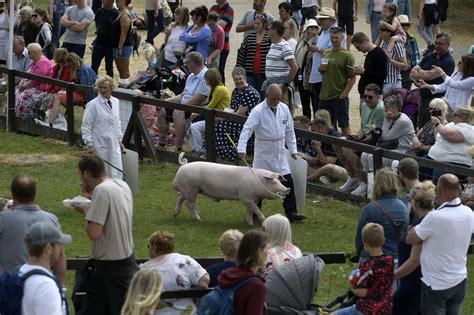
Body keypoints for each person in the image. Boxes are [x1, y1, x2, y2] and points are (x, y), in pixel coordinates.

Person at [73, 155, 139, 315]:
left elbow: (94, 233)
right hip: (128, 263)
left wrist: (85, 210)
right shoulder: (121, 185)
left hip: (109, 269)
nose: (82, 180)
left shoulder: (102, 191)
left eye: (81, 176)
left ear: (86, 173)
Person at [237, 84, 305, 223]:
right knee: (258, 185)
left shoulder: (284, 108)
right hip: (264, 153)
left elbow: (289, 131)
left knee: (288, 182)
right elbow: (247, 129)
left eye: (279, 99)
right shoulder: (258, 111)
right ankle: (255, 213)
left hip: (279, 152)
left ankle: (291, 212)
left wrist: (293, 150)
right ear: (267, 96)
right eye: (274, 99)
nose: (276, 102)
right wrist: (241, 148)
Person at [407, 174, 473, 315]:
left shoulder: (434, 217)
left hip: (436, 284)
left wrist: (413, 230)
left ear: (440, 190)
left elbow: (411, 239)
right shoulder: (468, 213)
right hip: (459, 279)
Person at [0, 175, 65, 281]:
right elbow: (60, 256)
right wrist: (60, 287)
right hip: (41, 285)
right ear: (34, 194)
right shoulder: (52, 219)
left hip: (10, 289)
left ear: (13, 194)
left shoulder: (3, 219)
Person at [357, 95, 415, 196]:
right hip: (390, 148)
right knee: (364, 154)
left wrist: (387, 120)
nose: (385, 110)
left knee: (372, 157)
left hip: (401, 151)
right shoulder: (391, 117)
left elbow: (386, 136)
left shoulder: (402, 121)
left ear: (395, 108)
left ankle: (374, 190)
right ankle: (367, 184)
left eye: (387, 108)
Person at [140, 230, 209, 313]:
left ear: (154, 247)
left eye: (149, 246)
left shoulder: (143, 270)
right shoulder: (184, 261)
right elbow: (203, 283)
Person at [393, 181, 435, 315]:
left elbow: (414, 261)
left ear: (415, 202)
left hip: (412, 283)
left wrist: (392, 276)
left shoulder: (421, 226)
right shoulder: (429, 221)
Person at [334, 223, 394, 315]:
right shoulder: (390, 261)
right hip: (385, 308)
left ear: (365, 243)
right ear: (383, 240)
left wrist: (352, 287)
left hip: (367, 309)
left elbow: (363, 292)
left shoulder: (367, 265)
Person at [156, 52, 209, 152]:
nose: (186, 66)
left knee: (178, 111)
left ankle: (178, 146)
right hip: (184, 104)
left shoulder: (204, 77)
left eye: (187, 63)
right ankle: (162, 144)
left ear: (193, 63)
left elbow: (198, 99)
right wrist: (165, 102)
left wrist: (180, 106)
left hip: (196, 107)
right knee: (161, 108)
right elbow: (183, 95)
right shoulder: (191, 76)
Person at [338, 84, 385, 193]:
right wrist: (358, 136)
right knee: (338, 143)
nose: (367, 99)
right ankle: (353, 176)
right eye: (365, 96)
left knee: (348, 149)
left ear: (378, 97)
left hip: (375, 140)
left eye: (370, 97)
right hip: (365, 136)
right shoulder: (364, 105)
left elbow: (375, 134)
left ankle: (364, 181)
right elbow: (364, 126)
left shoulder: (380, 109)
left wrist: (357, 143)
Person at [355, 168, 409, 261]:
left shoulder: (370, 209)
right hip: (397, 259)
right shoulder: (403, 207)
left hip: (373, 259)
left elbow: (359, 240)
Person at [20, 221, 71, 315]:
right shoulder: (45, 286)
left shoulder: (19, 273)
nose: (61, 249)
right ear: (48, 248)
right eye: (59, 244)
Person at [81, 76, 125, 179]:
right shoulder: (93, 105)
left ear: (111, 88)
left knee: (117, 172)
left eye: (105, 87)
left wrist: (119, 140)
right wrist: (90, 144)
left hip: (114, 145)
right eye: (100, 88)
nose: (102, 90)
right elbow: (86, 126)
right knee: (102, 173)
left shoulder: (116, 102)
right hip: (100, 145)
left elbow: (117, 122)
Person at [217, 230, 268, 315]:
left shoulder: (227, 275)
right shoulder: (256, 286)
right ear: (259, 252)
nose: (268, 252)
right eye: (266, 248)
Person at [214, 67, 260, 161]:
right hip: (234, 118)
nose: (238, 81)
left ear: (245, 78)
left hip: (244, 122)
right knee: (212, 122)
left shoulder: (250, 93)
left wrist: (223, 118)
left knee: (218, 127)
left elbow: (239, 114)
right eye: (236, 79)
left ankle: (230, 154)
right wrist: (222, 114)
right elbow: (231, 109)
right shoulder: (236, 90)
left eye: (240, 79)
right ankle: (215, 152)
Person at [410, 32, 455, 128]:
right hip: (422, 98)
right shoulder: (429, 56)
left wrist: (420, 71)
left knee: (432, 130)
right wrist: (423, 74)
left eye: (441, 44)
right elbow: (412, 72)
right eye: (436, 43)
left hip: (436, 103)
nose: (437, 46)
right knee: (421, 127)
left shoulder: (448, 62)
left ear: (448, 45)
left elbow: (427, 76)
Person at [421, 106, 474, 184]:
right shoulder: (451, 124)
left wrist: (438, 124)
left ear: (463, 117)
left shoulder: (469, 129)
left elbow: (448, 135)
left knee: (439, 179)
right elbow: (438, 136)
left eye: (455, 114)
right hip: (434, 158)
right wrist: (441, 122)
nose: (453, 115)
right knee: (417, 167)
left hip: (453, 162)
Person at [318, 26, 356, 135]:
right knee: (324, 126)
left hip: (338, 96)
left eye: (336, 37)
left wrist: (344, 94)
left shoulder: (347, 55)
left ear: (342, 38)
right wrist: (320, 70)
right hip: (324, 95)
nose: (334, 40)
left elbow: (352, 77)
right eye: (332, 37)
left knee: (344, 125)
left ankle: (347, 149)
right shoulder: (326, 53)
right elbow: (323, 72)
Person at [48, 52, 98, 126]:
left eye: (68, 66)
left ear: (72, 62)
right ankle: (50, 118)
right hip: (76, 92)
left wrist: (71, 89)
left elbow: (85, 88)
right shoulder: (76, 69)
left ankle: (50, 123)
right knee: (54, 96)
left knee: (57, 97)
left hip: (85, 95)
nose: (68, 68)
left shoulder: (84, 70)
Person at [189, 68, 230, 156]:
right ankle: (194, 148)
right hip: (211, 116)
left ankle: (199, 150)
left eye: (206, 78)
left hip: (219, 118)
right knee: (190, 126)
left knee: (194, 127)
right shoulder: (213, 89)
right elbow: (207, 103)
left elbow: (210, 105)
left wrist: (197, 113)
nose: (205, 81)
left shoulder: (220, 89)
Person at [308, 7, 340, 112]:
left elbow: (334, 52)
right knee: (317, 106)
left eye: (323, 19)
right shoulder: (324, 31)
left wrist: (316, 49)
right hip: (318, 74)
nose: (320, 21)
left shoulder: (335, 33)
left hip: (326, 75)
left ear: (331, 20)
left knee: (325, 109)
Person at [15, 43, 53, 120]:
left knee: (24, 96)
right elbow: (27, 75)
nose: (27, 54)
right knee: (14, 93)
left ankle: (23, 117)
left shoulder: (43, 62)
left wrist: (24, 86)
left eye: (28, 52)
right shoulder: (35, 61)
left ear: (33, 53)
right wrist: (21, 83)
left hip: (40, 89)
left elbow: (36, 80)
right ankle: (14, 115)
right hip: (31, 87)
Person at [265, 20, 298, 111]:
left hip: (280, 87)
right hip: (271, 85)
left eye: (268, 29)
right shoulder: (273, 45)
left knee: (282, 113)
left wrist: (285, 85)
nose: (266, 31)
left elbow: (294, 67)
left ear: (274, 30)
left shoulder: (284, 46)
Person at [235, 14, 271, 96]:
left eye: (258, 24)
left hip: (263, 74)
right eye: (255, 23)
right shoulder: (249, 37)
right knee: (249, 94)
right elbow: (241, 54)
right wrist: (238, 70)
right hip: (249, 73)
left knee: (262, 95)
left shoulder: (269, 38)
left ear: (264, 25)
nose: (256, 26)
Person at [351, 32, 387, 104]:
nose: (358, 50)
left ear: (363, 42)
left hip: (372, 96)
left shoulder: (379, 54)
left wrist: (364, 72)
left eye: (358, 47)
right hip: (366, 93)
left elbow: (382, 75)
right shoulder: (370, 53)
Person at [294, 19, 319, 119]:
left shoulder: (317, 42)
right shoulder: (301, 42)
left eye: (315, 27)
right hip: (301, 74)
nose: (313, 29)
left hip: (311, 76)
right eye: (311, 27)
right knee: (304, 102)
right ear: (307, 29)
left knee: (314, 102)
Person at [91, 0, 118, 78]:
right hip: (99, 43)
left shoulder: (116, 14)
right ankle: (93, 83)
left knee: (109, 67)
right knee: (94, 66)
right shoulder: (99, 11)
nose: (102, 1)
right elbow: (97, 22)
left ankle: (109, 85)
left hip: (110, 45)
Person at [210, 0, 234, 83]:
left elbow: (220, 24)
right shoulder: (213, 7)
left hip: (223, 47)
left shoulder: (229, 10)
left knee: (219, 72)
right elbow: (208, 23)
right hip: (211, 46)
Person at [378, 25, 407, 95]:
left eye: (382, 30)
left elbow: (404, 65)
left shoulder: (397, 45)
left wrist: (391, 60)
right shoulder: (384, 43)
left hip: (392, 82)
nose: (380, 32)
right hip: (384, 81)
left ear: (389, 32)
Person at [112, 0, 133, 80]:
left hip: (123, 46)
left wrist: (119, 48)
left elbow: (123, 34)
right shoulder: (119, 12)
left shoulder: (124, 15)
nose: (116, 1)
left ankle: (127, 88)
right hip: (118, 45)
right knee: (120, 69)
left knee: (124, 70)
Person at [399, 15, 421, 90]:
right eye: (402, 25)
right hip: (396, 72)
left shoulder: (412, 40)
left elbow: (416, 57)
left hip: (408, 73)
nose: (404, 27)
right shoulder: (391, 40)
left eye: (406, 25)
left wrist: (416, 73)